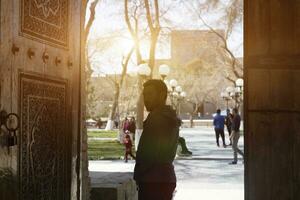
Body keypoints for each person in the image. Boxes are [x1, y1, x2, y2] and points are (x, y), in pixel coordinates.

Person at [134, 79, 180, 200]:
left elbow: (149, 153)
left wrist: (139, 173)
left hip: (152, 180)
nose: (146, 99)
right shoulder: (169, 115)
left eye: (150, 94)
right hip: (165, 177)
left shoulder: (157, 118)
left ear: (162, 95)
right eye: (145, 95)